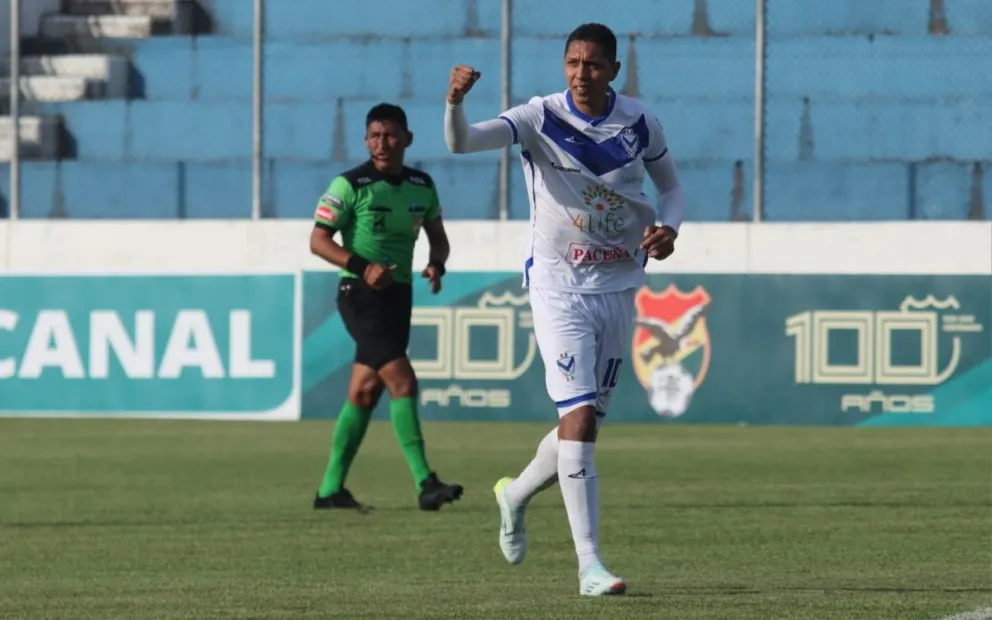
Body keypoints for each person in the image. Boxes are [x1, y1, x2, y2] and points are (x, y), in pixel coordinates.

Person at [444, 23, 685, 595]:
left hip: (620, 283)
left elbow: (670, 187)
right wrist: (454, 103)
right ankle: (589, 566)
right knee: (578, 419)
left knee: (584, 425)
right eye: (573, 62)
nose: (582, 73)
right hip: (557, 286)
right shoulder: (538, 117)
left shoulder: (640, 121)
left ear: (614, 70)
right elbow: (462, 142)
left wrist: (669, 228)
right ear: (564, 64)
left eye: (594, 64)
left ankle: (515, 493)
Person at [310, 103, 464, 512]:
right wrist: (362, 267)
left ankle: (330, 490)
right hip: (359, 295)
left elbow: (439, 238)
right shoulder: (350, 185)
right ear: (365, 140)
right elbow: (318, 240)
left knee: (364, 391)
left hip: (399, 296)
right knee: (403, 382)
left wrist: (436, 264)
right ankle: (425, 482)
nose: (382, 143)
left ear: (408, 139)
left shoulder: (421, 185)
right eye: (375, 136)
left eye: (391, 135)